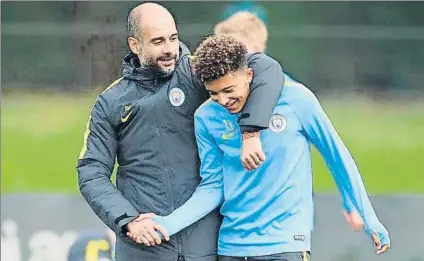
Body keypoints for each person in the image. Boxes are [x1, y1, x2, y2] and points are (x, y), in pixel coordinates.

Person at [128, 35, 391, 260]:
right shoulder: (206, 117)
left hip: (285, 245)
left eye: (229, 90)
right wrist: (167, 223)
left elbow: (338, 159)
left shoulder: (297, 100)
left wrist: (370, 218)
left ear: (249, 75)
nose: (222, 100)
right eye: (213, 93)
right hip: (231, 246)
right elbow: (212, 187)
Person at [76, 2, 284, 261]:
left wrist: (251, 132)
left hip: (207, 245)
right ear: (135, 45)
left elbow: (266, 68)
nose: (169, 49)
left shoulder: (198, 73)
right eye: (158, 41)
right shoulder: (110, 102)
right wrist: (127, 221)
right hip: (144, 248)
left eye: (173, 38)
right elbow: (91, 172)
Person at [214, 10, 364, 231]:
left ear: (258, 50)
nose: (230, 59)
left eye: (238, 51)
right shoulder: (218, 100)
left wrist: (352, 202)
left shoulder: (293, 95)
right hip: (237, 227)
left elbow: (333, 151)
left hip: (287, 227)